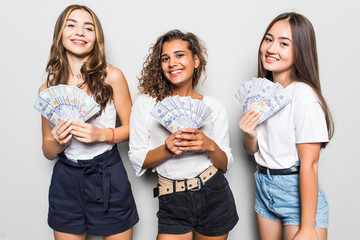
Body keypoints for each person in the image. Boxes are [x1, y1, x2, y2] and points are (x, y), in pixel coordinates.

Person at [38, 5, 138, 240]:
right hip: (66, 180)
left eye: (88, 28)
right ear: (60, 35)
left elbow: (134, 129)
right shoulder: (47, 90)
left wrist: (101, 135)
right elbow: (47, 150)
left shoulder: (112, 76)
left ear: (96, 38)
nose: (80, 32)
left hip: (108, 174)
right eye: (71, 25)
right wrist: (59, 141)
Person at [129, 30, 238, 240]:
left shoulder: (213, 106)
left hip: (213, 194)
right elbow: (137, 159)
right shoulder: (146, 104)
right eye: (165, 58)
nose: (172, 63)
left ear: (195, 60)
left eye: (180, 55)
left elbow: (224, 164)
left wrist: (210, 146)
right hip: (171, 198)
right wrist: (167, 149)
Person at [239, 12, 334, 240]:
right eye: (269, 39)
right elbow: (252, 149)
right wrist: (250, 134)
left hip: (295, 192)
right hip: (264, 186)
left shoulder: (303, 95)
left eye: (284, 43)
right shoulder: (263, 93)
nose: (272, 49)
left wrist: (308, 227)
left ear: (300, 50)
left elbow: (309, 164)